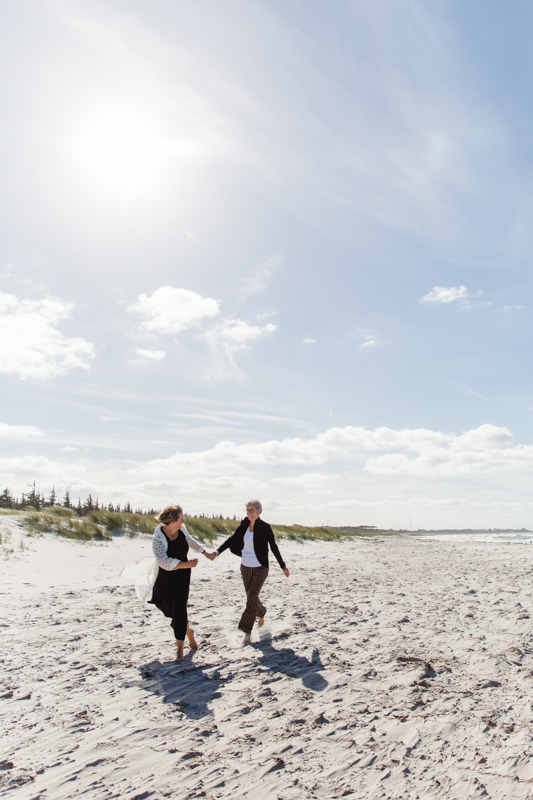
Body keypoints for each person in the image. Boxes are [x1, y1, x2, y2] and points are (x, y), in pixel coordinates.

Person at [215, 500, 289, 641]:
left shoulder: (265, 527)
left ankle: (244, 631)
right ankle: (261, 613)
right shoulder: (243, 525)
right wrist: (218, 552)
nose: (249, 513)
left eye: (252, 510)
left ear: (259, 511)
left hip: (261, 567)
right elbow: (232, 539)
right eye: (247, 510)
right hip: (245, 567)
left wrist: (283, 566)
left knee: (251, 597)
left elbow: (274, 547)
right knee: (252, 597)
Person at [149, 504, 216, 658]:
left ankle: (180, 649)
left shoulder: (182, 531)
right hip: (165, 577)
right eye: (181, 519)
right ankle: (189, 632)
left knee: (179, 609)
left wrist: (205, 553)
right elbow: (163, 561)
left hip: (182, 577)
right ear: (172, 522)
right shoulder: (158, 538)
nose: (183, 522)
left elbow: (191, 541)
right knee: (167, 606)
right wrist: (187, 564)